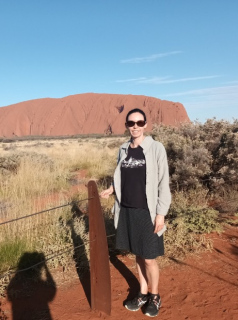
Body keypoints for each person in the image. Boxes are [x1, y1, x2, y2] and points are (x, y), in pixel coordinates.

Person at [100, 108, 171, 317]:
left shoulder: (156, 148)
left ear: (145, 125)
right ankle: (141, 292)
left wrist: (161, 213)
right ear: (126, 125)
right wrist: (112, 189)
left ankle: (155, 296)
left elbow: (163, 182)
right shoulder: (123, 149)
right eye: (131, 123)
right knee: (137, 254)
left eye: (140, 123)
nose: (135, 126)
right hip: (127, 210)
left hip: (147, 211)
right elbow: (122, 175)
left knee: (149, 257)